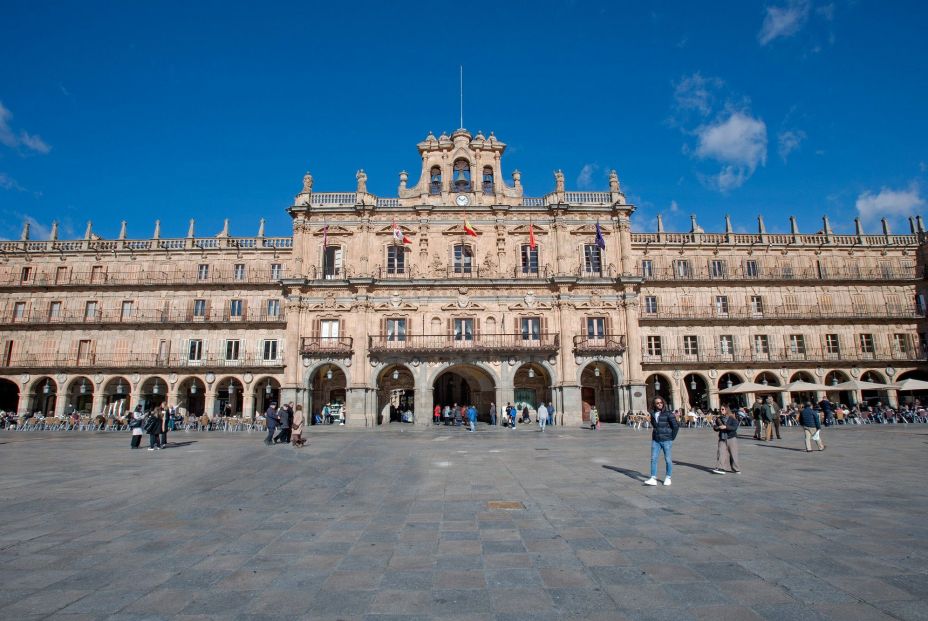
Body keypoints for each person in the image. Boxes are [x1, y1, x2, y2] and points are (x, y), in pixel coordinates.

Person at [644, 396, 678, 486]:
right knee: (653, 459)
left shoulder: (668, 413)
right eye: (657, 403)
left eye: (661, 402)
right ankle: (653, 478)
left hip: (667, 440)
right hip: (656, 440)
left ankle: (668, 477)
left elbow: (675, 426)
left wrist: (672, 437)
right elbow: (654, 425)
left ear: (663, 403)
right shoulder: (653, 413)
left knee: (668, 459)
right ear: (654, 405)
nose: (659, 404)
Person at [712, 403, 741, 474]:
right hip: (722, 438)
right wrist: (718, 427)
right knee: (721, 453)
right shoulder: (719, 419)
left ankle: (736, 469)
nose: (721, 411)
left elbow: (734, 427)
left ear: (727, 410)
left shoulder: (732, 418)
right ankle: (722, 468)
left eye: (723, 409)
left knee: (733, 454)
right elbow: (715, 427)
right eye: (720, 409)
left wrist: (726, 427)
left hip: (731, 438)